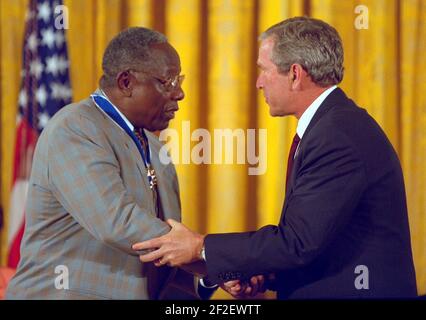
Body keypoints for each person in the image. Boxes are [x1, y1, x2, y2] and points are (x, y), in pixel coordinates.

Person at [133, 17, 418, 299]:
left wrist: (200, 247)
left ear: (295, 74)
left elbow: (297, 242)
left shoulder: (337, 136)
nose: (258, 83)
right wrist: (263, 273)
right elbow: (323, 240)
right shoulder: (334, 125)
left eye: (263, 70)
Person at [6, 27, 214, 300]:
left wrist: (212, 277)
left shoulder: (154, 147)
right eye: (168, 81)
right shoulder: (75, 128)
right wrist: (211, 259)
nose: (179, 93)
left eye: (179, 80)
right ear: (126, 82)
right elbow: (118, 222)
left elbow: (164, 251)